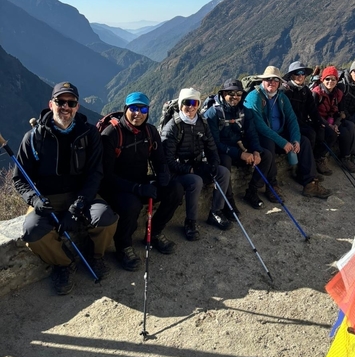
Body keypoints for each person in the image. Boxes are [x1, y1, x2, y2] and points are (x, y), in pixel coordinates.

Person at [13, 82, 118, 295]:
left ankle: (95, 256)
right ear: (51, 104)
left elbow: (94, 174)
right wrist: (35, 200)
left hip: (80, 195)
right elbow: (20, 180)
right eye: (61, 102)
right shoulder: (33, 138)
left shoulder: (88, 134)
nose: (65, 107)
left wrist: (79, 204)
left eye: (71, 103)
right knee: (32, 232)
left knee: (106, 218)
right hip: (46, 199)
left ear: (77, 106)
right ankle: (63, 263)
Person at [99, 92, 172, 271]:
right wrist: (137, 188)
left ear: (147, 111)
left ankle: (154, 232)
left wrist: (163, 174)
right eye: (133, 108)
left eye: (143, 109)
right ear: (125, 109)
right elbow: (106, 176)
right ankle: (123, 246)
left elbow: (159, 160)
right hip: (115, 187)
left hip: (140, 182)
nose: (137, 113)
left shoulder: (150, 132)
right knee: (131, 204)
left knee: (174, 189)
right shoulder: (112, 134)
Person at [156, 88, 232, 241]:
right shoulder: (172, 127)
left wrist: (214, 163)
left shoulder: (201, 122)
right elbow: (167, 161)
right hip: (177, 171)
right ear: (180, 104)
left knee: (223, 172)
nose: (190, 107)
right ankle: (190, 222)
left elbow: (211, 146)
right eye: (186, 103)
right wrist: (188, 169)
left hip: (195, 165)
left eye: (194, 103)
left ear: (198, 104)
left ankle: (216, 212)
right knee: (195, 181)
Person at [244, 66, 330, 199]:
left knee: (304, 141)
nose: (272, 82)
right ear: (263, 81)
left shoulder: (281, 97)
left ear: (279, 83)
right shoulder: (254, 97)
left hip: (278, 133)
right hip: (261, 136)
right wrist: (282, 142)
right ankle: (272, 186)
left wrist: (295, 139)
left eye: (275, 80)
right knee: (269, 145)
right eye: (268, 79)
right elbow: (259, 125)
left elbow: (292, 119)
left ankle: (309, 182)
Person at [203, 79, 274, 213]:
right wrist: (240, 154)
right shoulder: (212, 114)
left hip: (241, 148)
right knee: (225, 162)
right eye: (231, 93)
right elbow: (214, 144)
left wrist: (256, 151)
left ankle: (252, 191)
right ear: (223, 94)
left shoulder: (246, 112)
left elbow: (252, 133)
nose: (235, 96)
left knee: (267, 156)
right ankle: (228, 201)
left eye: (238, 93)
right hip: (224, 150)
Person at [283, 61, 333, 178]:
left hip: (303, 122)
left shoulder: (306, 90)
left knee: (328, 132)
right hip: (290, 125)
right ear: (291, 75)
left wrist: (320, 123)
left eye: (303, 73)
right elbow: (288, 116)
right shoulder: (286, 92)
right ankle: (305, 170)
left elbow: (313, 110)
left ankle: (317, 160)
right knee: (310, 134)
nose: (300, 76)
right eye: (297, 73)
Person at [311, 66, 355, 174]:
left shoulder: (338, 94)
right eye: (327, 79)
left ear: (337, 80)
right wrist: (330, 126)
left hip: (333, 119)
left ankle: (346, 158)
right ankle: (319, 158)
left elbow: (341, 112)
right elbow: (314, 114)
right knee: (330, 134)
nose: (330, 81)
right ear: (322, 79)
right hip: (320, 120)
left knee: (346, 130)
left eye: (333, 79)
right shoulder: (317, 93)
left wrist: (336, 124)